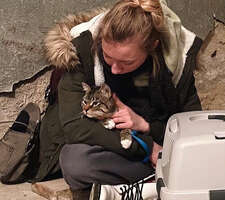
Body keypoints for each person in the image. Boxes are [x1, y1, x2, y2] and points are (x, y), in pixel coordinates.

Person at [34, 0, 203, 199]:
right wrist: (145, 148)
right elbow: (74, 127)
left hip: (156, 147)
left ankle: (135, 188)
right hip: (108, 146)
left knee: (199, 156)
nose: (115, 69)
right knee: (75, 161)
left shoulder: (176, 63)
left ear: (152, 47)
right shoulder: (79, 53)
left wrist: (144, 126)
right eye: (107, 56)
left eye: (126, 62)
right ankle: (161, 181)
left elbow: (191, 128)